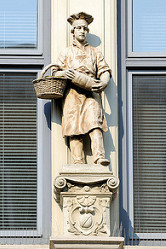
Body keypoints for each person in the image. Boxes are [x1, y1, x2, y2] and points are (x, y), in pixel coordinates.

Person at [53, 12, 111, 165]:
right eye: (78, 28)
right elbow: (54, 72)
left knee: (94, 123)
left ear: (87, 31)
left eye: (84, 28)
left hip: (90, 92)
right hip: (72, 93)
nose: (82, 31)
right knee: (74, 128)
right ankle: (78, 162)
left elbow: (104, 70)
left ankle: (99, 157)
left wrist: (103, 82)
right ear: (73, 31)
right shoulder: (66, 52)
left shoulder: (95, 52)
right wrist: (64, 72)